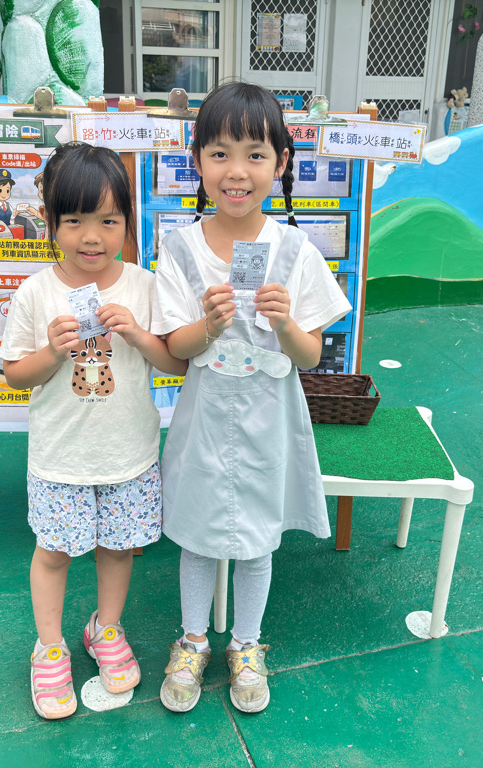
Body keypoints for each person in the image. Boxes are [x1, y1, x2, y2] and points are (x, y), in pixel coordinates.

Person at [151, 82, 352, 714]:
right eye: (220, 153)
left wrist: (286, 322)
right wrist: (208, 325)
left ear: (281, 162)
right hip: (205, 418)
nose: (236, 171)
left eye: (255, 154)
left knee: (259, 538)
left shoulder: (296, 250)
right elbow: (176, 347)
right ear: (197, 160)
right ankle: (192, 640)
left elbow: (310, 356)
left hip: (271, 420)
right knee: (197, 535)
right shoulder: (179, 247)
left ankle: (246, 644)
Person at [0, 142, 185, 720]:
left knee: (118, 549)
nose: (92, 237)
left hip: (129, 453)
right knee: (54, 552)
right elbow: (15, 375)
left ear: (128, 220)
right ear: (49, 221)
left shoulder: (143, 286)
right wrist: (51, 352)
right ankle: (49, 645)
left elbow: (175, 363)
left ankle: (105, 629)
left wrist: (137, 334)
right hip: (60, 458)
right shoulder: (36, 292)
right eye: (75, 220)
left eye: (108, 221)